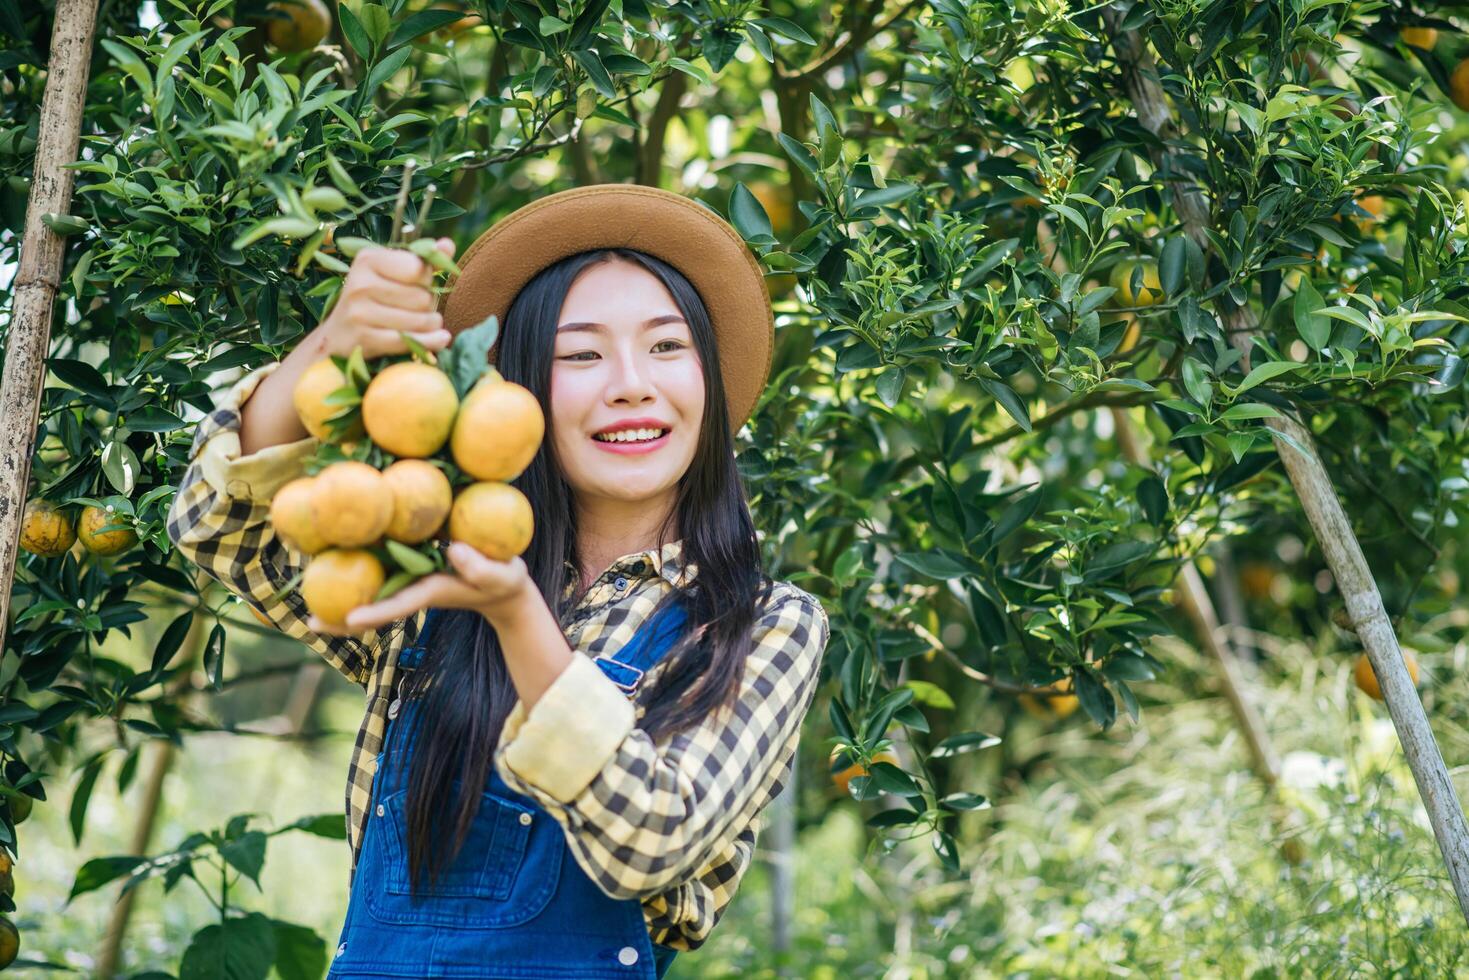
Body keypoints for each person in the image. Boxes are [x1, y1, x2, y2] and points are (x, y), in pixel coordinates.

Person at [166, 183, 830, 978]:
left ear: (708, 383)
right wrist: (331, 345)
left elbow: (652, 840)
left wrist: (516, 615)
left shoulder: (757, 625)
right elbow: (219, 529)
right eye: (580, 354)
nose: (629, 383)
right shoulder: (433, 581)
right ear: (513, 394)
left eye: (666, 346)